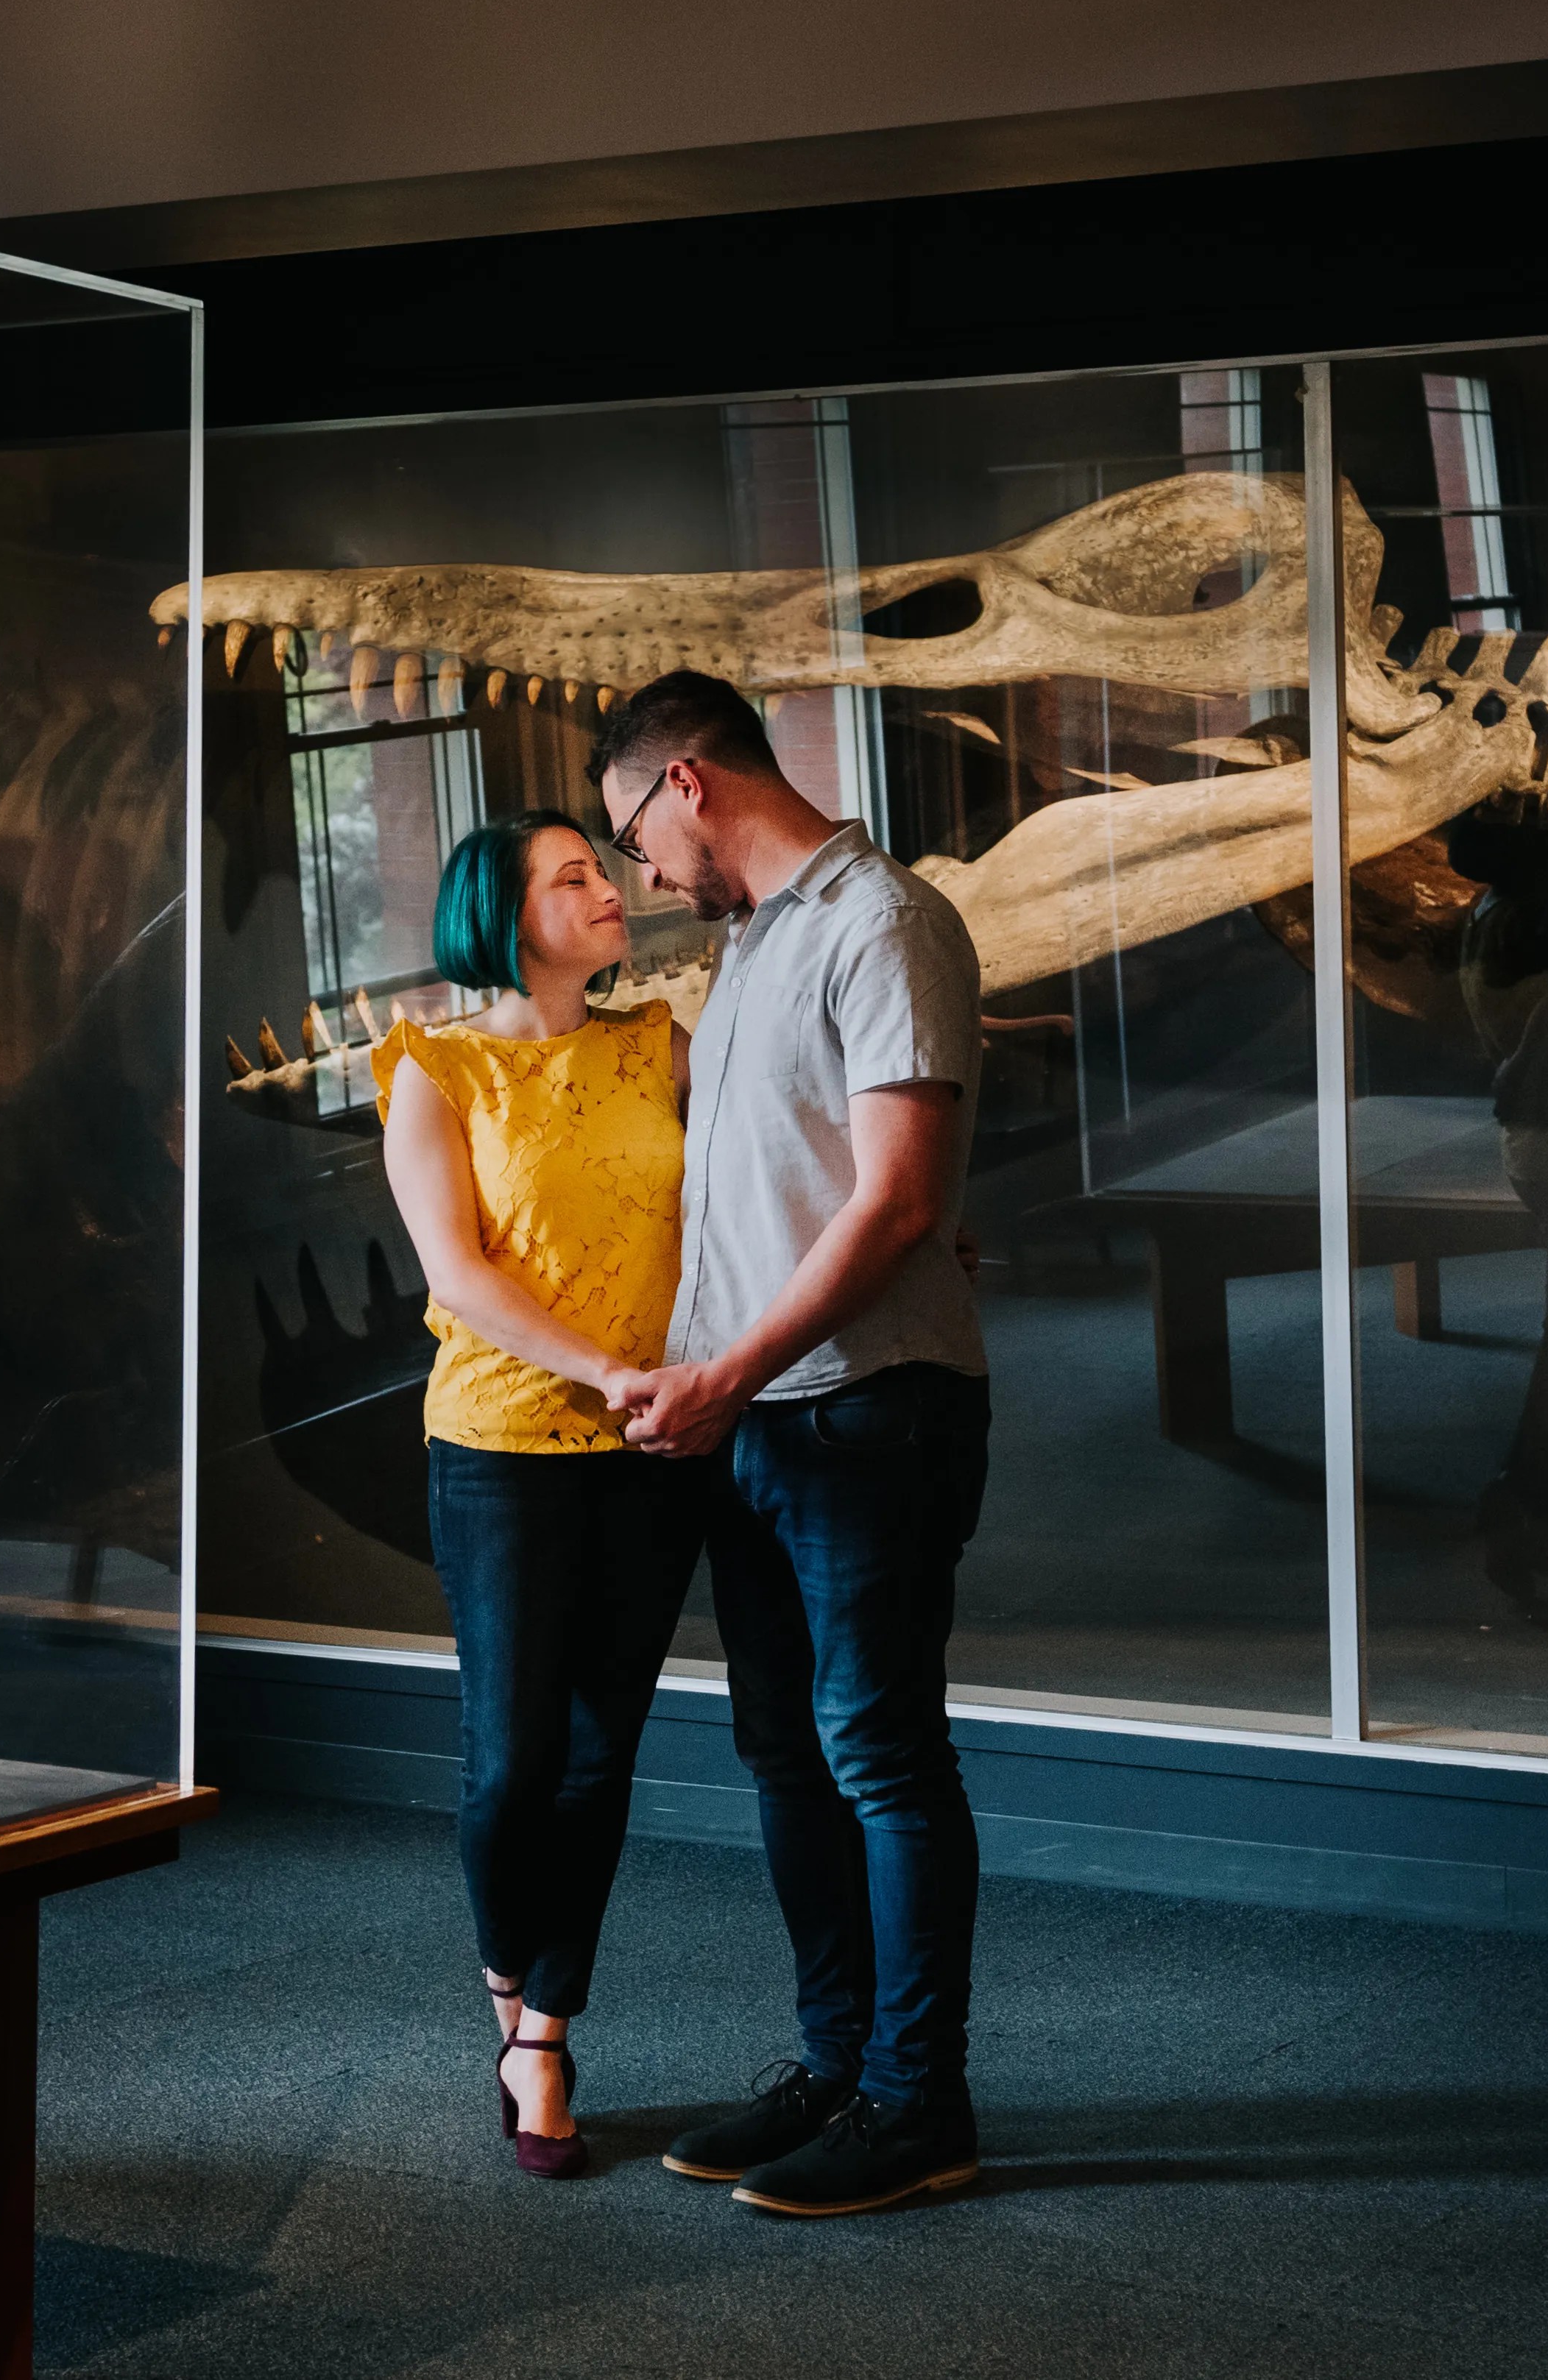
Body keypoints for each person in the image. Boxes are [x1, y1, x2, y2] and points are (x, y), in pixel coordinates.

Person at [592, 670, 992, 2219]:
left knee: (880, 1753)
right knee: (785, 1753)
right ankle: (835, 2065)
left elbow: (896, 1200)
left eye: (632, 832)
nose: (640, 874)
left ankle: (919, 2099)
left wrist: (731, 1369)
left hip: (863, 1409)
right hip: (760, 1416)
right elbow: (799, 1188)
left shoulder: (886, 918)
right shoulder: (752, 942)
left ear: (684, 781)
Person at [374, 810, 710, 2182]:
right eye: (571, 876)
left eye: (603, 866)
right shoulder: (434, 1069)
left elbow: (745, 1185)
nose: (608, 888)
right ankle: (508, 1974)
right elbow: (456, 1274)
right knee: (512, 1756)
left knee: (598, 1753)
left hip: (652, 1449)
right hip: (502, 1445)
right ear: (502, 917)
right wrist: (611, 1369)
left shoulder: (660, 1042)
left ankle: (547, 2030)